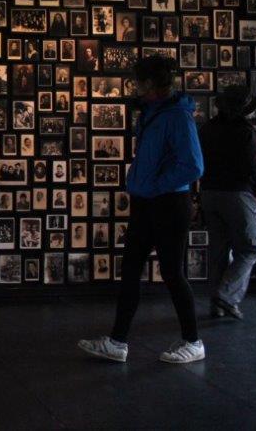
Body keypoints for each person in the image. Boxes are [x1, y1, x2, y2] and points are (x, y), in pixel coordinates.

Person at [79, 55, 205, 364]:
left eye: (140, 81)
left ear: (152, 84)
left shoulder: (177, 116)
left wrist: (153, 185)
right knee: (131, 269)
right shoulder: (152, 113)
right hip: (148, 202)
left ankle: (194, 341)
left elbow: (193, 165)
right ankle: (117, 341)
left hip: (168, 204)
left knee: (173, 273)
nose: (136, 87)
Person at [199, 86, 256, 320]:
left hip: (209, 192)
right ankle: (226, 296)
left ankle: (218, 304)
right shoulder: (245, 132)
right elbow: (252, 166)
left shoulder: (206, 129)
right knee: (251, 246)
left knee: (219, 249)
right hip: (238, 193)